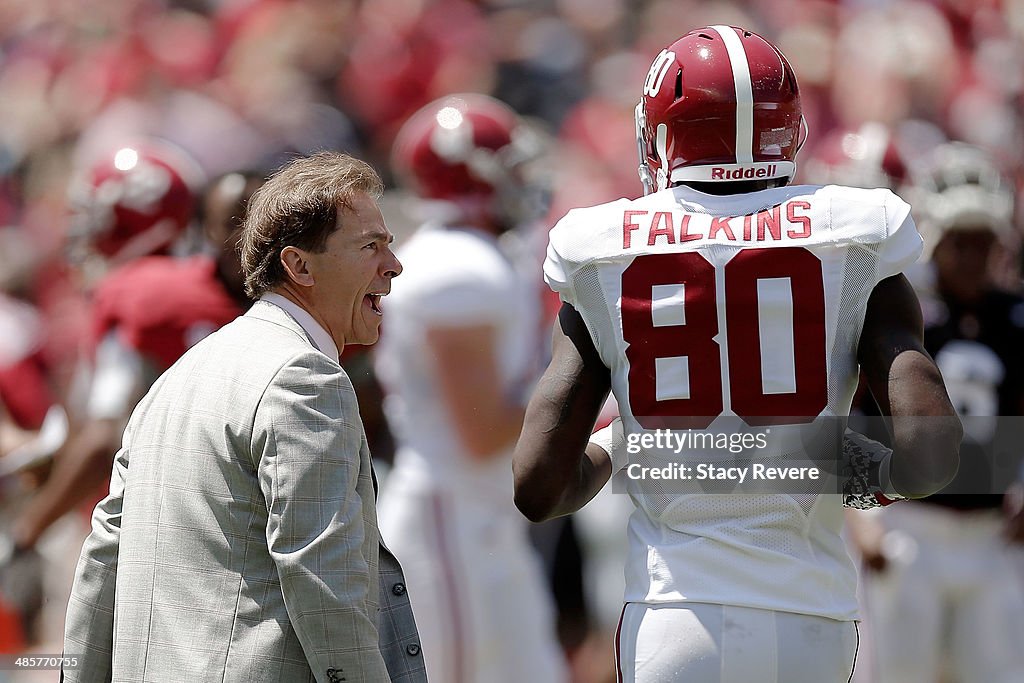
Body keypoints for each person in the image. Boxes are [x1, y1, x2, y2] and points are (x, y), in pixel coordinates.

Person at [513, 26, 961, 682]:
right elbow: (932, 457)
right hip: (814, 615)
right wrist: (859, 472)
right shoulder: (857, 233)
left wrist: (623, 446)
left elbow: (538, 486)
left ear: (665, 133)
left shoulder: (601, 248)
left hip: (675, 617)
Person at [62, 151, 426, 683]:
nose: (393, 265)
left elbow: (103, 559)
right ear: (299, 265)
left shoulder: (179, 375)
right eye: (370, 246)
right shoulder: (304, 377)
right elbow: (322, 582)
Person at [376, 93, 567, 683]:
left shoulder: (477, 257)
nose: (523, 181)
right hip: (449, 525)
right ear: (475, 175)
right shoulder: (455, 268)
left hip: (480, 519)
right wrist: (591, 401)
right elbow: (482, 430)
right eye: (508, 166)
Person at [11, 165, 262, 553]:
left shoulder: (145, 298)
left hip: (153, 531)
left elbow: (104, 438)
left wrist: (28, 529)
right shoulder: (284, 301)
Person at [849, 142, 1024, 683]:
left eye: (982, 241)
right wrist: (860, 517)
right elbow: (852, 417)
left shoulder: (1013, 317)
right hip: (911, 525)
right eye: (959, 242)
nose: (971, 256)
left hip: (993, 533)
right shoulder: (902, 312)